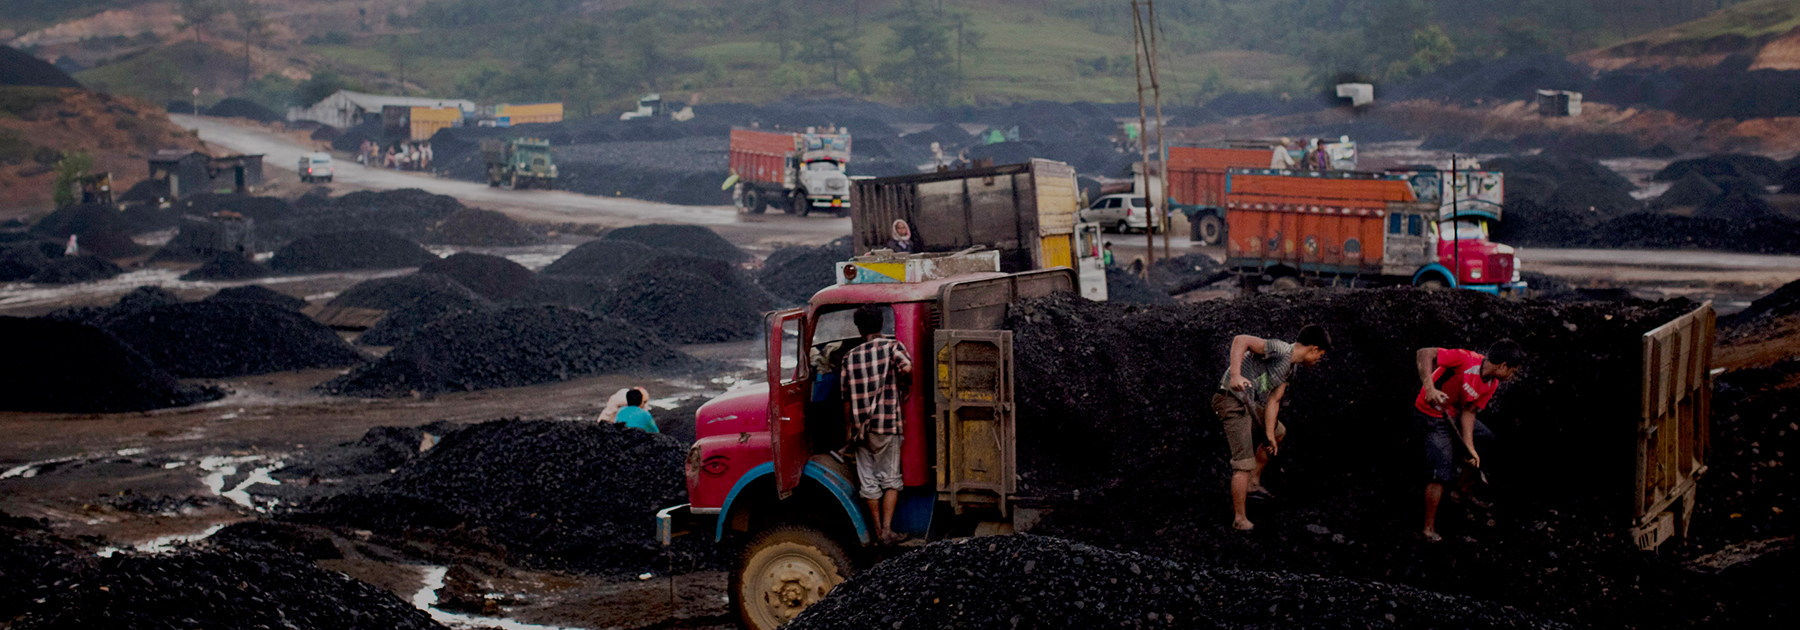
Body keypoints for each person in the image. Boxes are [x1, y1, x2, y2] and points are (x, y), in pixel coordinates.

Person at [1213, 324, 1332, 531]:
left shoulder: (1289, 370)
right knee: (1243, 462)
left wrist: (1268, 435)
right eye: (1319, 356)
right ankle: (1239, 519)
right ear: (1313, 349)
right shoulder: (1280, 349)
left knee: (1278, 432)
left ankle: (1253, 483)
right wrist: (1235, 376)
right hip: (1231, 400)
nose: (1318, 360)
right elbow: (1241, 339)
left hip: (1249, 403)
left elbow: (1274, 401)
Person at [1414, 340, 1525, 542]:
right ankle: (1428, 529)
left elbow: (1469, 411)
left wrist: (1470, 448)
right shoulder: (1465, 359)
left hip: (1454, 413)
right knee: (1440, 472)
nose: (1512, 376)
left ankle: (1461, 491)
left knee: (1487, 443)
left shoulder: (1492, 383)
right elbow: (1424, 352)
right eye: (1512, 370)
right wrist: (1429, 388)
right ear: (1502, 365)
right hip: (1431, 414)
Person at [841, 304, 913, 545]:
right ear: (881, 324)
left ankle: (875, 531)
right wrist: (904, 382)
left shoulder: (849, 357)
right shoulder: (892, 347)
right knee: (890, 478)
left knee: (868, 482)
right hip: (886, 424)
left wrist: (850, 429)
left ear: (859, 328)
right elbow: (907, 367)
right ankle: (887, 532)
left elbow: (846, 398)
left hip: (860, 430)